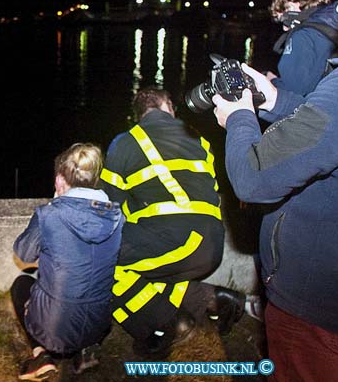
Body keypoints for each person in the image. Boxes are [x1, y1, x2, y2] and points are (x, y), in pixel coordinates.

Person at [212, 0, 338, 382]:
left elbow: (254, 177)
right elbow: (335, 130)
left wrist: (239, 114)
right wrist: (273, 99)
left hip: (321, 309)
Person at [100, 87, 245, 358]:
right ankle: (213, 300)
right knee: (150, 268)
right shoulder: (200, 140)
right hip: (212, 242)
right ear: (169, 107)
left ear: (139, 115)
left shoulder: (126, 142)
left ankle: (166, 325)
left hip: (177, 239)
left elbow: (108, 209)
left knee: (101, 259)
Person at [11, 143, 123, 382]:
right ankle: (86, 351)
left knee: (21, 284)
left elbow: (24, 254)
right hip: (99, 325)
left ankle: (41, 355)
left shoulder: (50, 214)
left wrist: (53, 206)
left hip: (53, 330)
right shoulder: (117, 216)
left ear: (61, 180)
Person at [266, 0, 338, 97]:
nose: (284, 28)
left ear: (294, 5)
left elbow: (294, 93)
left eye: (284, 20)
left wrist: (271, 81)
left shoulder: (303, 35)